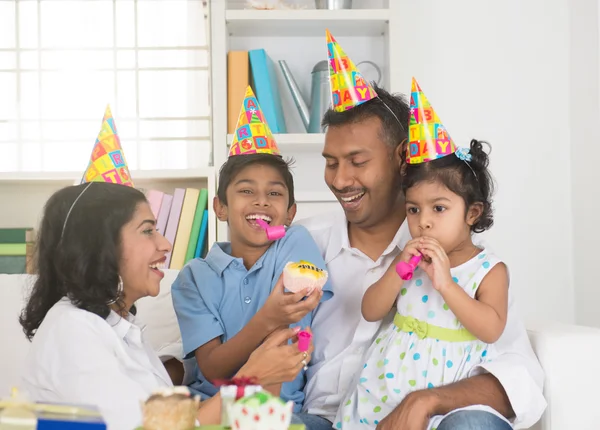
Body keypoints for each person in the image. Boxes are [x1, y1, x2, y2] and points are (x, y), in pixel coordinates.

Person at [296, 82, 547, 429]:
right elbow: (370, 308)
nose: (339, 180)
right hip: (342, 415)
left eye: (357, 161)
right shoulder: (305, 242)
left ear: (402, 159)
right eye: (331, 163)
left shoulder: (471, 264)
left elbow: (514, 366)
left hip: (430, 413)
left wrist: (427, 401)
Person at [19, 182, 314, 430]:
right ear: (101, 246)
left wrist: (272, 370)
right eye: (148, 231)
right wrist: (252, 377)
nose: (165, 245)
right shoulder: (73, 329)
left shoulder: (124, 333)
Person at [171, 87, 333, 422]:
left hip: (283, 411)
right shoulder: (194, 277)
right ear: (220, 208)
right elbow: (214, 368)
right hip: (215, 410)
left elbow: (297, 320)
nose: (261, 201)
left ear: (289, 213)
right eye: (246, 191)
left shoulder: (294, 243)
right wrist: (269, 318)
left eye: (274, 193)